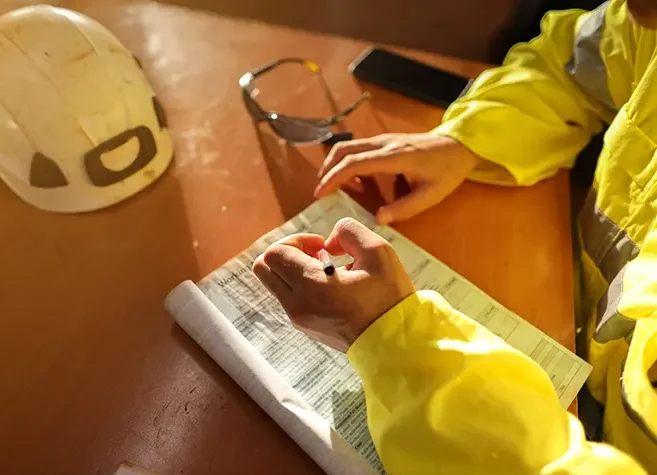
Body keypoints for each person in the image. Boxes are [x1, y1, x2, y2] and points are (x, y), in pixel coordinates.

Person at [253, 0, 657, 472]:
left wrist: (395, 343)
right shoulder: (644, 20)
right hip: (575, 339)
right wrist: (468, 140)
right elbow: (570, 63)